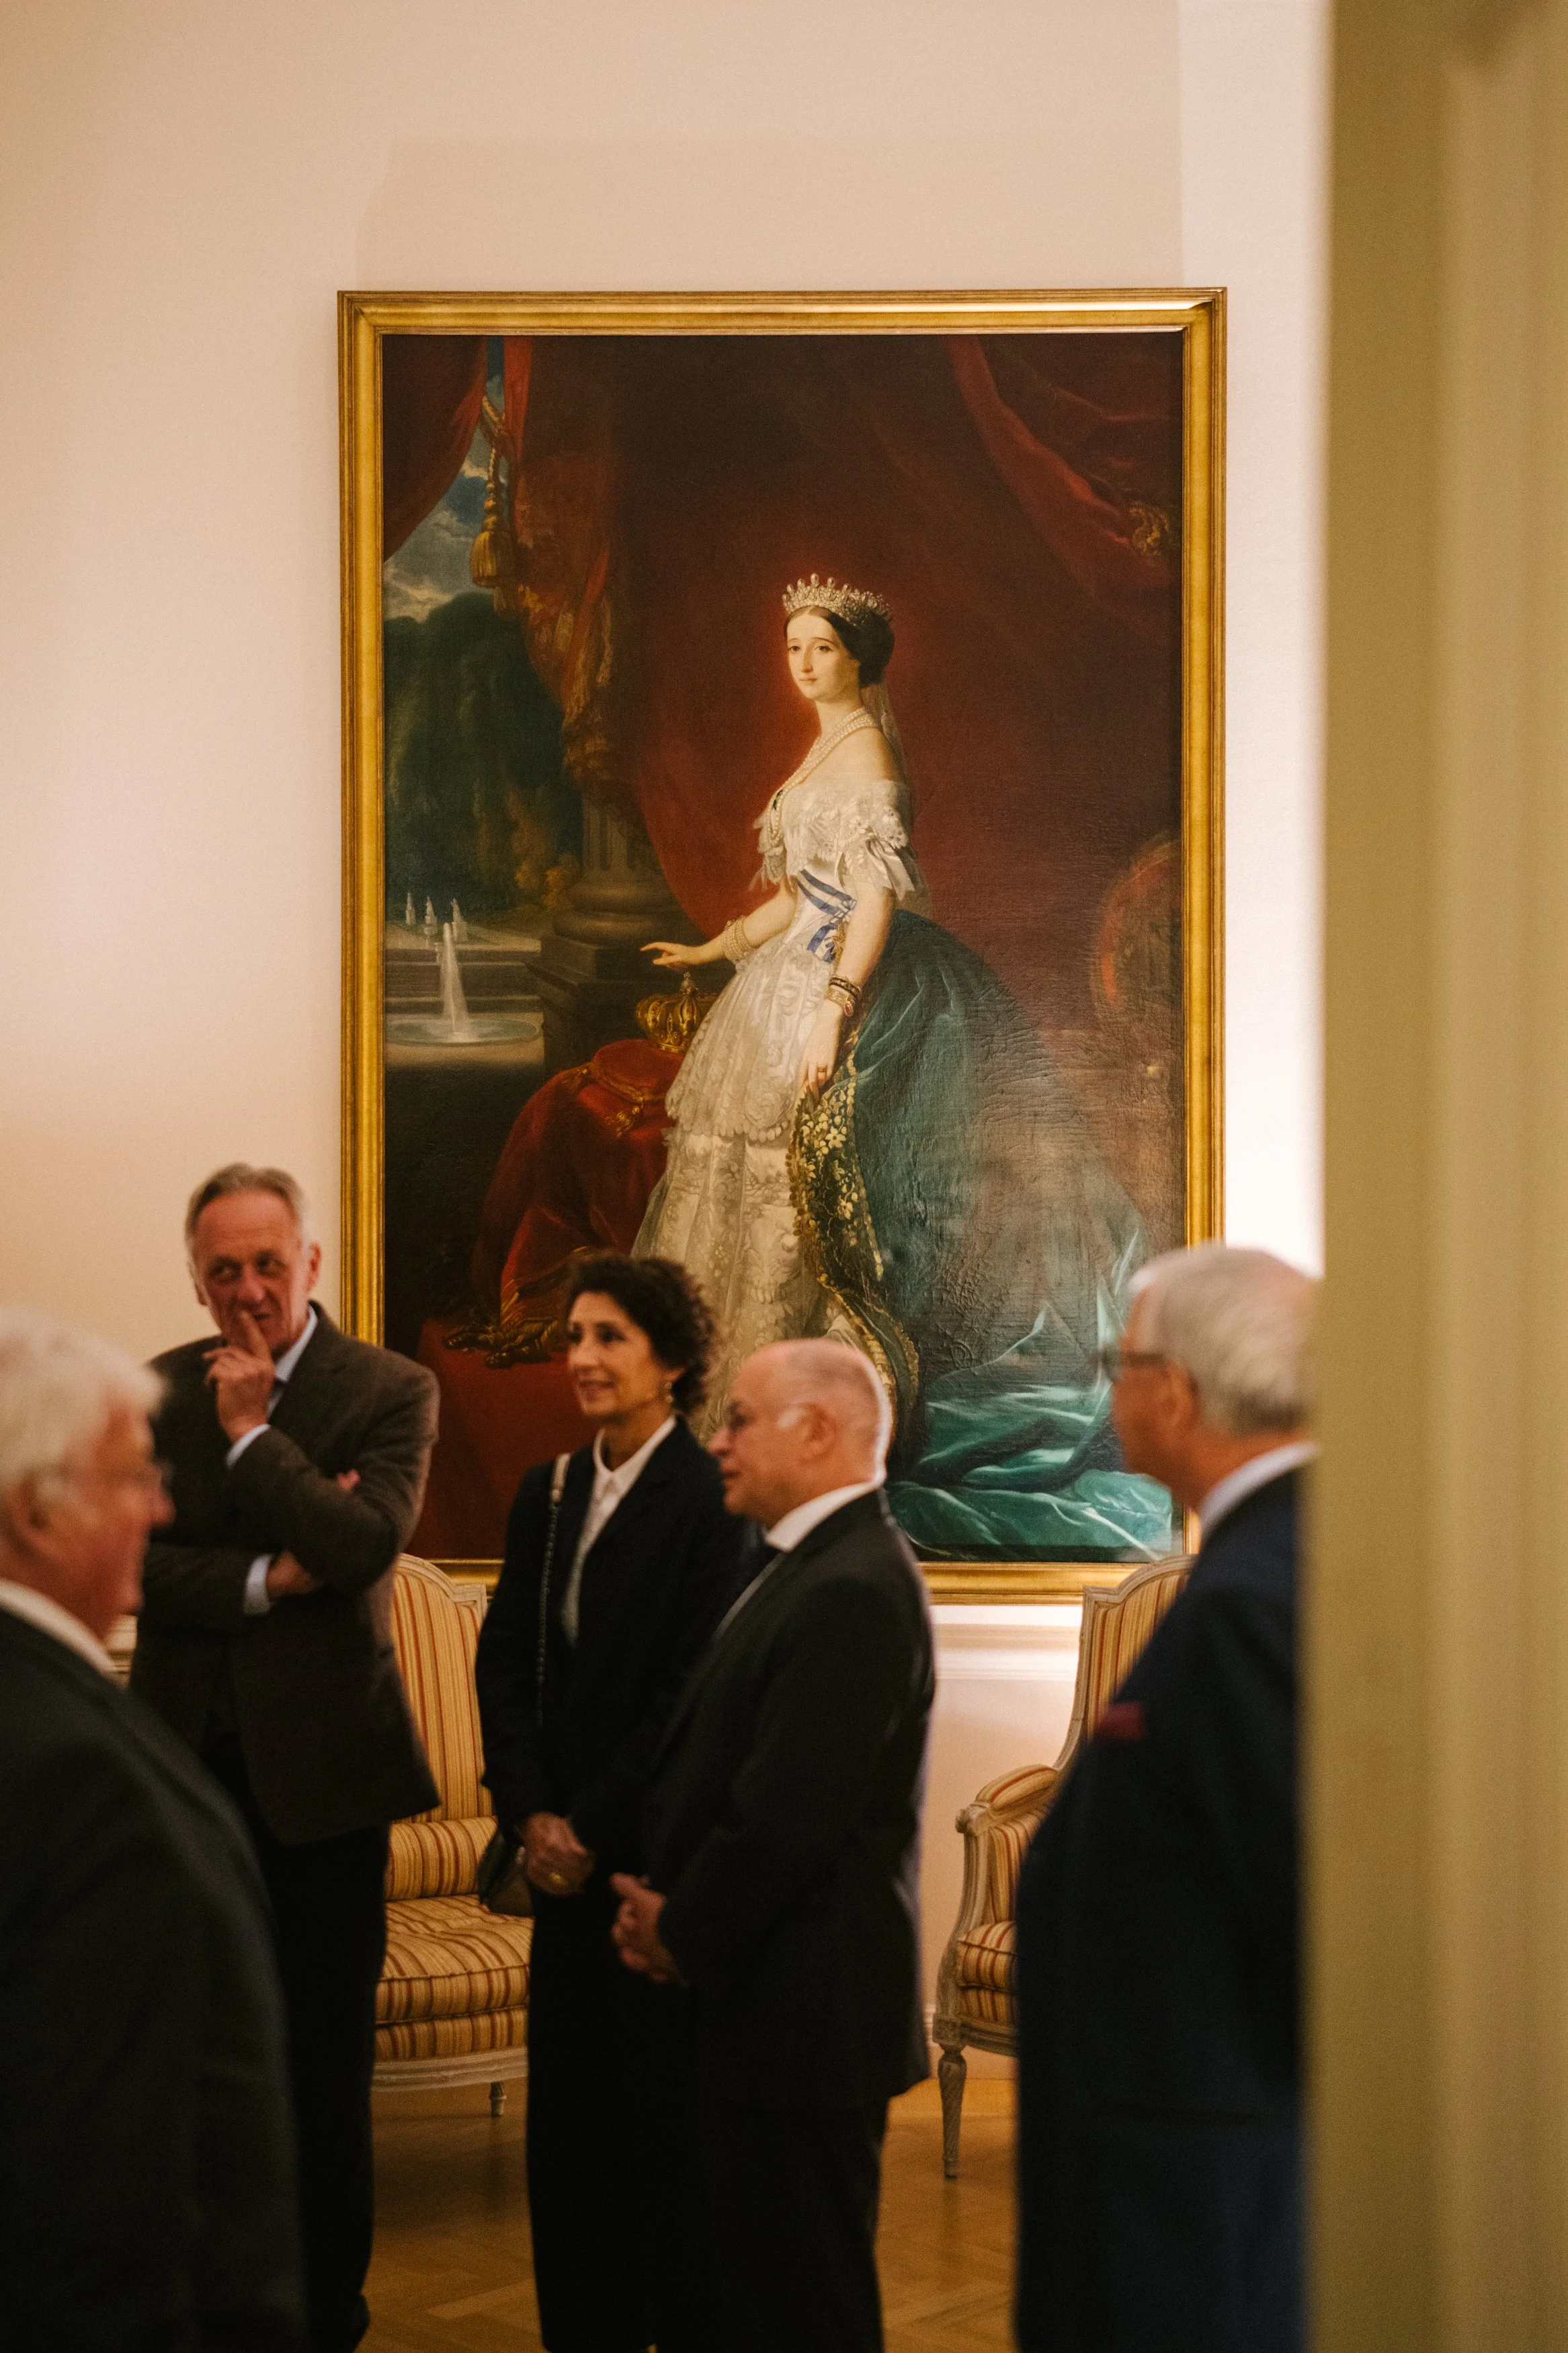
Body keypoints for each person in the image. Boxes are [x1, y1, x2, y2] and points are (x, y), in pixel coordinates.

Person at [638, 575, 1164, 1564]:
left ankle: (806, 1404)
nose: (801, 662)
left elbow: (868, 903)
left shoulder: (870, 755)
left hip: (853, 981)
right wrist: (714, 951)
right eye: (792, 645)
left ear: (859, 660)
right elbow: (800, 898)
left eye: (821, 649)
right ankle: (733, 1402)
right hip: (788, 973)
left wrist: (835, 1008)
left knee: (815, 1185)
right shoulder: (822, 748)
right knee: (742, 1175)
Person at [130, 1163, 440, 2353]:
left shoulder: (390, 1388)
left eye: (269, 1263)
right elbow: (137, 1566)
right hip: (180, 1783)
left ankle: (325, 2318)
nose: (249, 1289)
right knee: (193, 2062)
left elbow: (366, 1550)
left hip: (326, 1789)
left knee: (320, 2075)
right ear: (197, 1280)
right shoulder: (154, 1392)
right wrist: (269, 1577)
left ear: (311, 1264)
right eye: (224, 1270)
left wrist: (257, 1440)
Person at [1014, 1242, 1317, 2353]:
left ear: (1176, 1392)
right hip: (1184, 2147)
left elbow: (1299, 1907)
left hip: (1190, 2172)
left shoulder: (1253, 1594)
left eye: (1118, 1360)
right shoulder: (1271, 1557)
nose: (1111, 1386)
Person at [612, 1337, 934, 2353]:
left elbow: (788, 1817)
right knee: (755, 2294)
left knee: (805, 2308)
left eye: (741, 1418)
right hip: (767, 2005)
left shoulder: (852, 1585)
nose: (717, 1440)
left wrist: (682, 1930)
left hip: (806, 2017)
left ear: (820, 1431)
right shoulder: (804, 1565)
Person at [0, 1305, 305, 2349]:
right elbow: (113, 2199)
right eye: (133, 1477)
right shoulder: (82, 1780)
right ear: (36, 1514)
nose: (160, 1509)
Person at [474, 1253, 749, 2353]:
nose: (581, 1357)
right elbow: (503, 1667)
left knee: (661, 2141)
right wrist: (534, 1817)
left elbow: (692, 1692)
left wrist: (587, 1825)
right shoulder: (548, 1492)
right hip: (558, 1869)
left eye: (610, 1339)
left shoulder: (711, 1499)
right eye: (576, 1335)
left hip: (649, 1868)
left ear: (672, 1362)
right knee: (570, 2140)